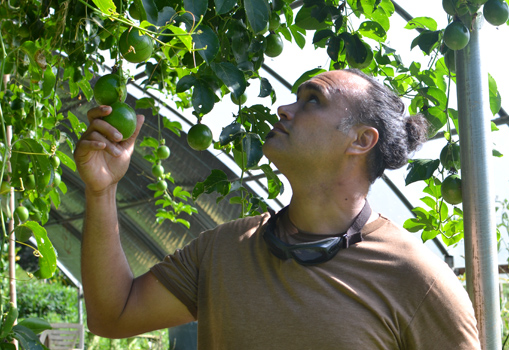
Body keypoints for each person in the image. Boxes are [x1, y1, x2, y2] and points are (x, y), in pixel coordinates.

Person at [75, 69, 480, 349]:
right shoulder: (221, 251)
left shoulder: (416, 278)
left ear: (361, 140)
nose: (285, 109)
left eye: (312, 100)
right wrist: (101, 191)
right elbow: (113, 315)